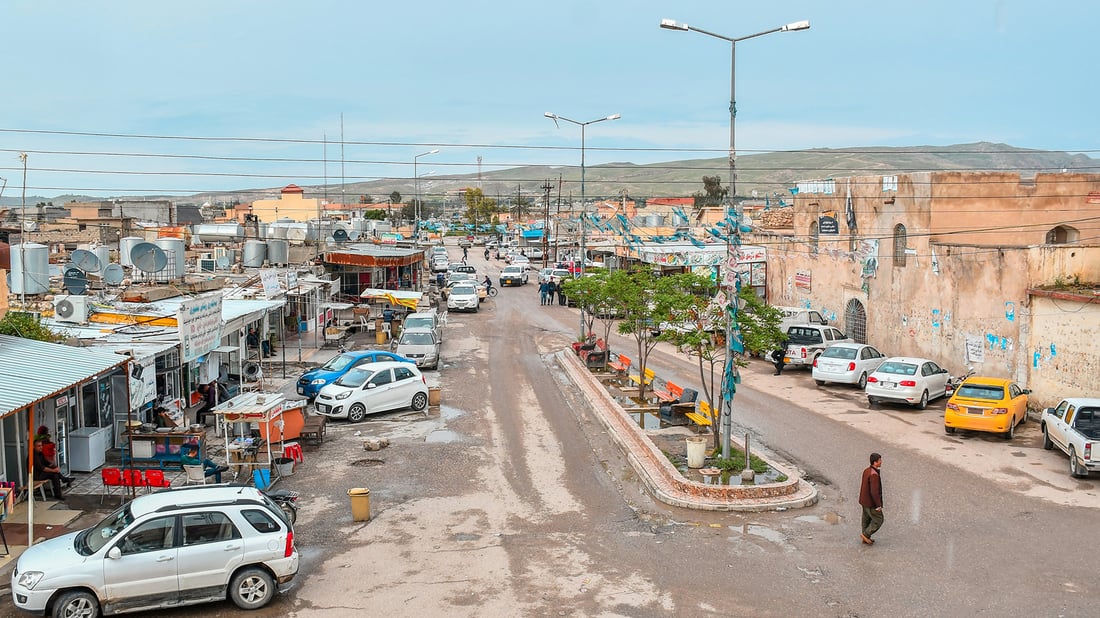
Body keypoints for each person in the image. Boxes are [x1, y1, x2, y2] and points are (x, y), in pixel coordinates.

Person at [858, 452, 884, 545]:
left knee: (866, 518)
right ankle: (866, 534)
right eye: (880, 460)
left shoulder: (867, 470)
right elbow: (874, 492)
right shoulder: (874, 475)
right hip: (871, 503)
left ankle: (865, 536)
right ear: (875, 462)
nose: (881, 462)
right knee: (879, 519)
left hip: (864, 500)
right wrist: (878, 505)